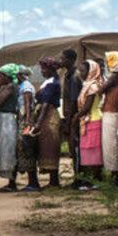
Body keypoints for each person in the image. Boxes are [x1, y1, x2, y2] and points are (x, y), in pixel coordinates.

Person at [27, 57, 63, 191]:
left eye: (44, 68)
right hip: (45, 116)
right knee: (46, 147)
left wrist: (38, 123)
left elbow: (46, 104)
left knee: (50, 147)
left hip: (49, 117)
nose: (42, 71)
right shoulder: (48, 82)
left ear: (51, 69)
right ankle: (53, 180)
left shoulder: (52, 83)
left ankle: (54, 181)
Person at [75, 59, 103, 189]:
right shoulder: (87, 84)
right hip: (87, 120)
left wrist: (76, 117)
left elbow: (87, 107)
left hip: (93, 119)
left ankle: (95, 180)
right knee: (87, 151)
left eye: (83, 70)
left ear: (90, 71)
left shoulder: (92, 86)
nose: (80, 73)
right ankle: (91, 180)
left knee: (94, 151)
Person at [0, 64, 21, 191]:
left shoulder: (10, 87)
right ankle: (11, 181)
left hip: (7, 120)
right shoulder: (9, 86)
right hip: (4, 119)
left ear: (7, 76)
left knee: (9, 150)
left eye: (1, 75)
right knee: (7, 149)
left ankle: (12, 183)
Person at [101, 51, 118, 176]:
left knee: (112, 144)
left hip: (111, 114)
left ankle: (114, 174)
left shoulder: (115, 75)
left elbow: (100, 90)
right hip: (117, 113)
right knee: (117, 142)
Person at [13, 67, 38, 192]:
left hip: (26, 119)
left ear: (20, 75)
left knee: (27, 147)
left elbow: (27, 103)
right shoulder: (23, 85)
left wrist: (28, 120)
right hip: (23, 118)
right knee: (24, 148)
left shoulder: (26, 86)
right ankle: (31, 182)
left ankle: (33, 182)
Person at [60, 49, 83, 177]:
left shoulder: (74, 77)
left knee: (75, 147)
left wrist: (69, 123)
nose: (61, 61)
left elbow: (74, 102)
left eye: (63, 58)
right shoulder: (68, 75)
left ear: (70, 60)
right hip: (70, 116)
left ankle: (79, 177)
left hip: (74, 118)